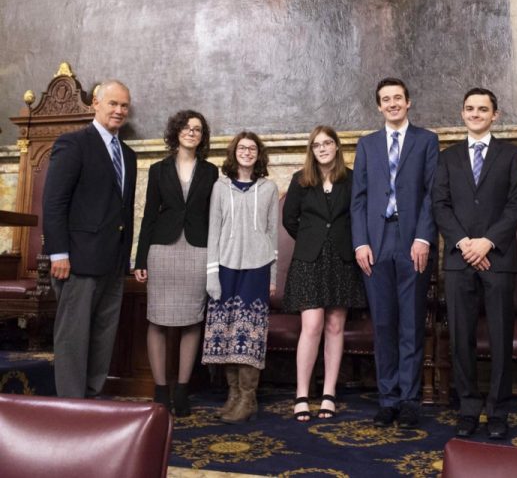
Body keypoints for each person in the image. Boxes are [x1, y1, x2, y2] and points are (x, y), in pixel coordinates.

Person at [432, 88, 517, 440]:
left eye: (483, 109)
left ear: (494, 115)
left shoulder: (511, 154)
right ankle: (468, 407)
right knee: (461, 338)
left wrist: (487, 242)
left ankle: (498, 410)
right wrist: (464, 243)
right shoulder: (449, 156)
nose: (475, 113)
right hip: (459, 260)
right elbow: (440, 204)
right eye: (469, 108)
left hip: (498, 258)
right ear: (463, 113)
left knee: (501, 338)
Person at [351, 77, 439, 428]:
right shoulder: (367, 144)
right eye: (385, 99)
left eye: (398, 98)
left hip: (411, 240)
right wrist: (360, 242)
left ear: (409, 101)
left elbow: (433, 194)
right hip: (375, 242)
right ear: (378, 106)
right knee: (384, 323)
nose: (392, 104)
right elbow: (357, 198)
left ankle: (409, 399)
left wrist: (423, 238)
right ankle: (387, 399)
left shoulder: (426, 140)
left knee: (411, 323)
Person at [43, 79, 137, 398]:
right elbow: (54, 202)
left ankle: (92, 397)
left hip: (113, 262)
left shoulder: (128, 155)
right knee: (73, 339)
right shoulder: (73, 144)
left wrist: (126, 259)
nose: (119, 110)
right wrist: (58, 254)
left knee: (102, 335)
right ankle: (71, 406)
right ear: (95, 103)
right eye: (113, 103)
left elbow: (122, 210)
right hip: (77, 262)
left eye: (124, 105)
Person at [134, 110, 219, 416]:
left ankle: (182, 389)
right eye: (186, 127)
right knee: (157, 319)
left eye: (197, 129)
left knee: (192, 320)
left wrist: (216, 259)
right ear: (176, 132)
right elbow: (148, 217)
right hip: (162, 250)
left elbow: (214, 217)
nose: (191, 132)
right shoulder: (158, 170)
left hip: (198, 250)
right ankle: (160, 389)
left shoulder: (211, 172)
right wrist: (140, 258)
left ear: (202, 136)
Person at [282, 126, 367, 422]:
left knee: (334, 326)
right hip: (309, 260)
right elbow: (289, 220)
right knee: (313, 325)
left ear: (336, 146)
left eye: (327, 143)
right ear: (311, 150)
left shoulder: (353, 179)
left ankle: (329, 393)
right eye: (316, 145)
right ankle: (302, 394)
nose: (322, 148)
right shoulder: (300, 181)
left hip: (342, 260)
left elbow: (360, 215)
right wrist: (311, 239)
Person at [202, 131, 278, 424]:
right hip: (225, 267)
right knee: (226, 333)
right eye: (242, 148)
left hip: (257, 268)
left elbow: (272, 235)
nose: (247, 152)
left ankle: (248, 398)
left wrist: (271, 274)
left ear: (259, 154)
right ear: (234, 153)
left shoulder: (269, 188)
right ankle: (232, 396)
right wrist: (211, 273)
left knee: (248, 334)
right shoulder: (220, 188)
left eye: (252, 148)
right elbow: (213, 232)